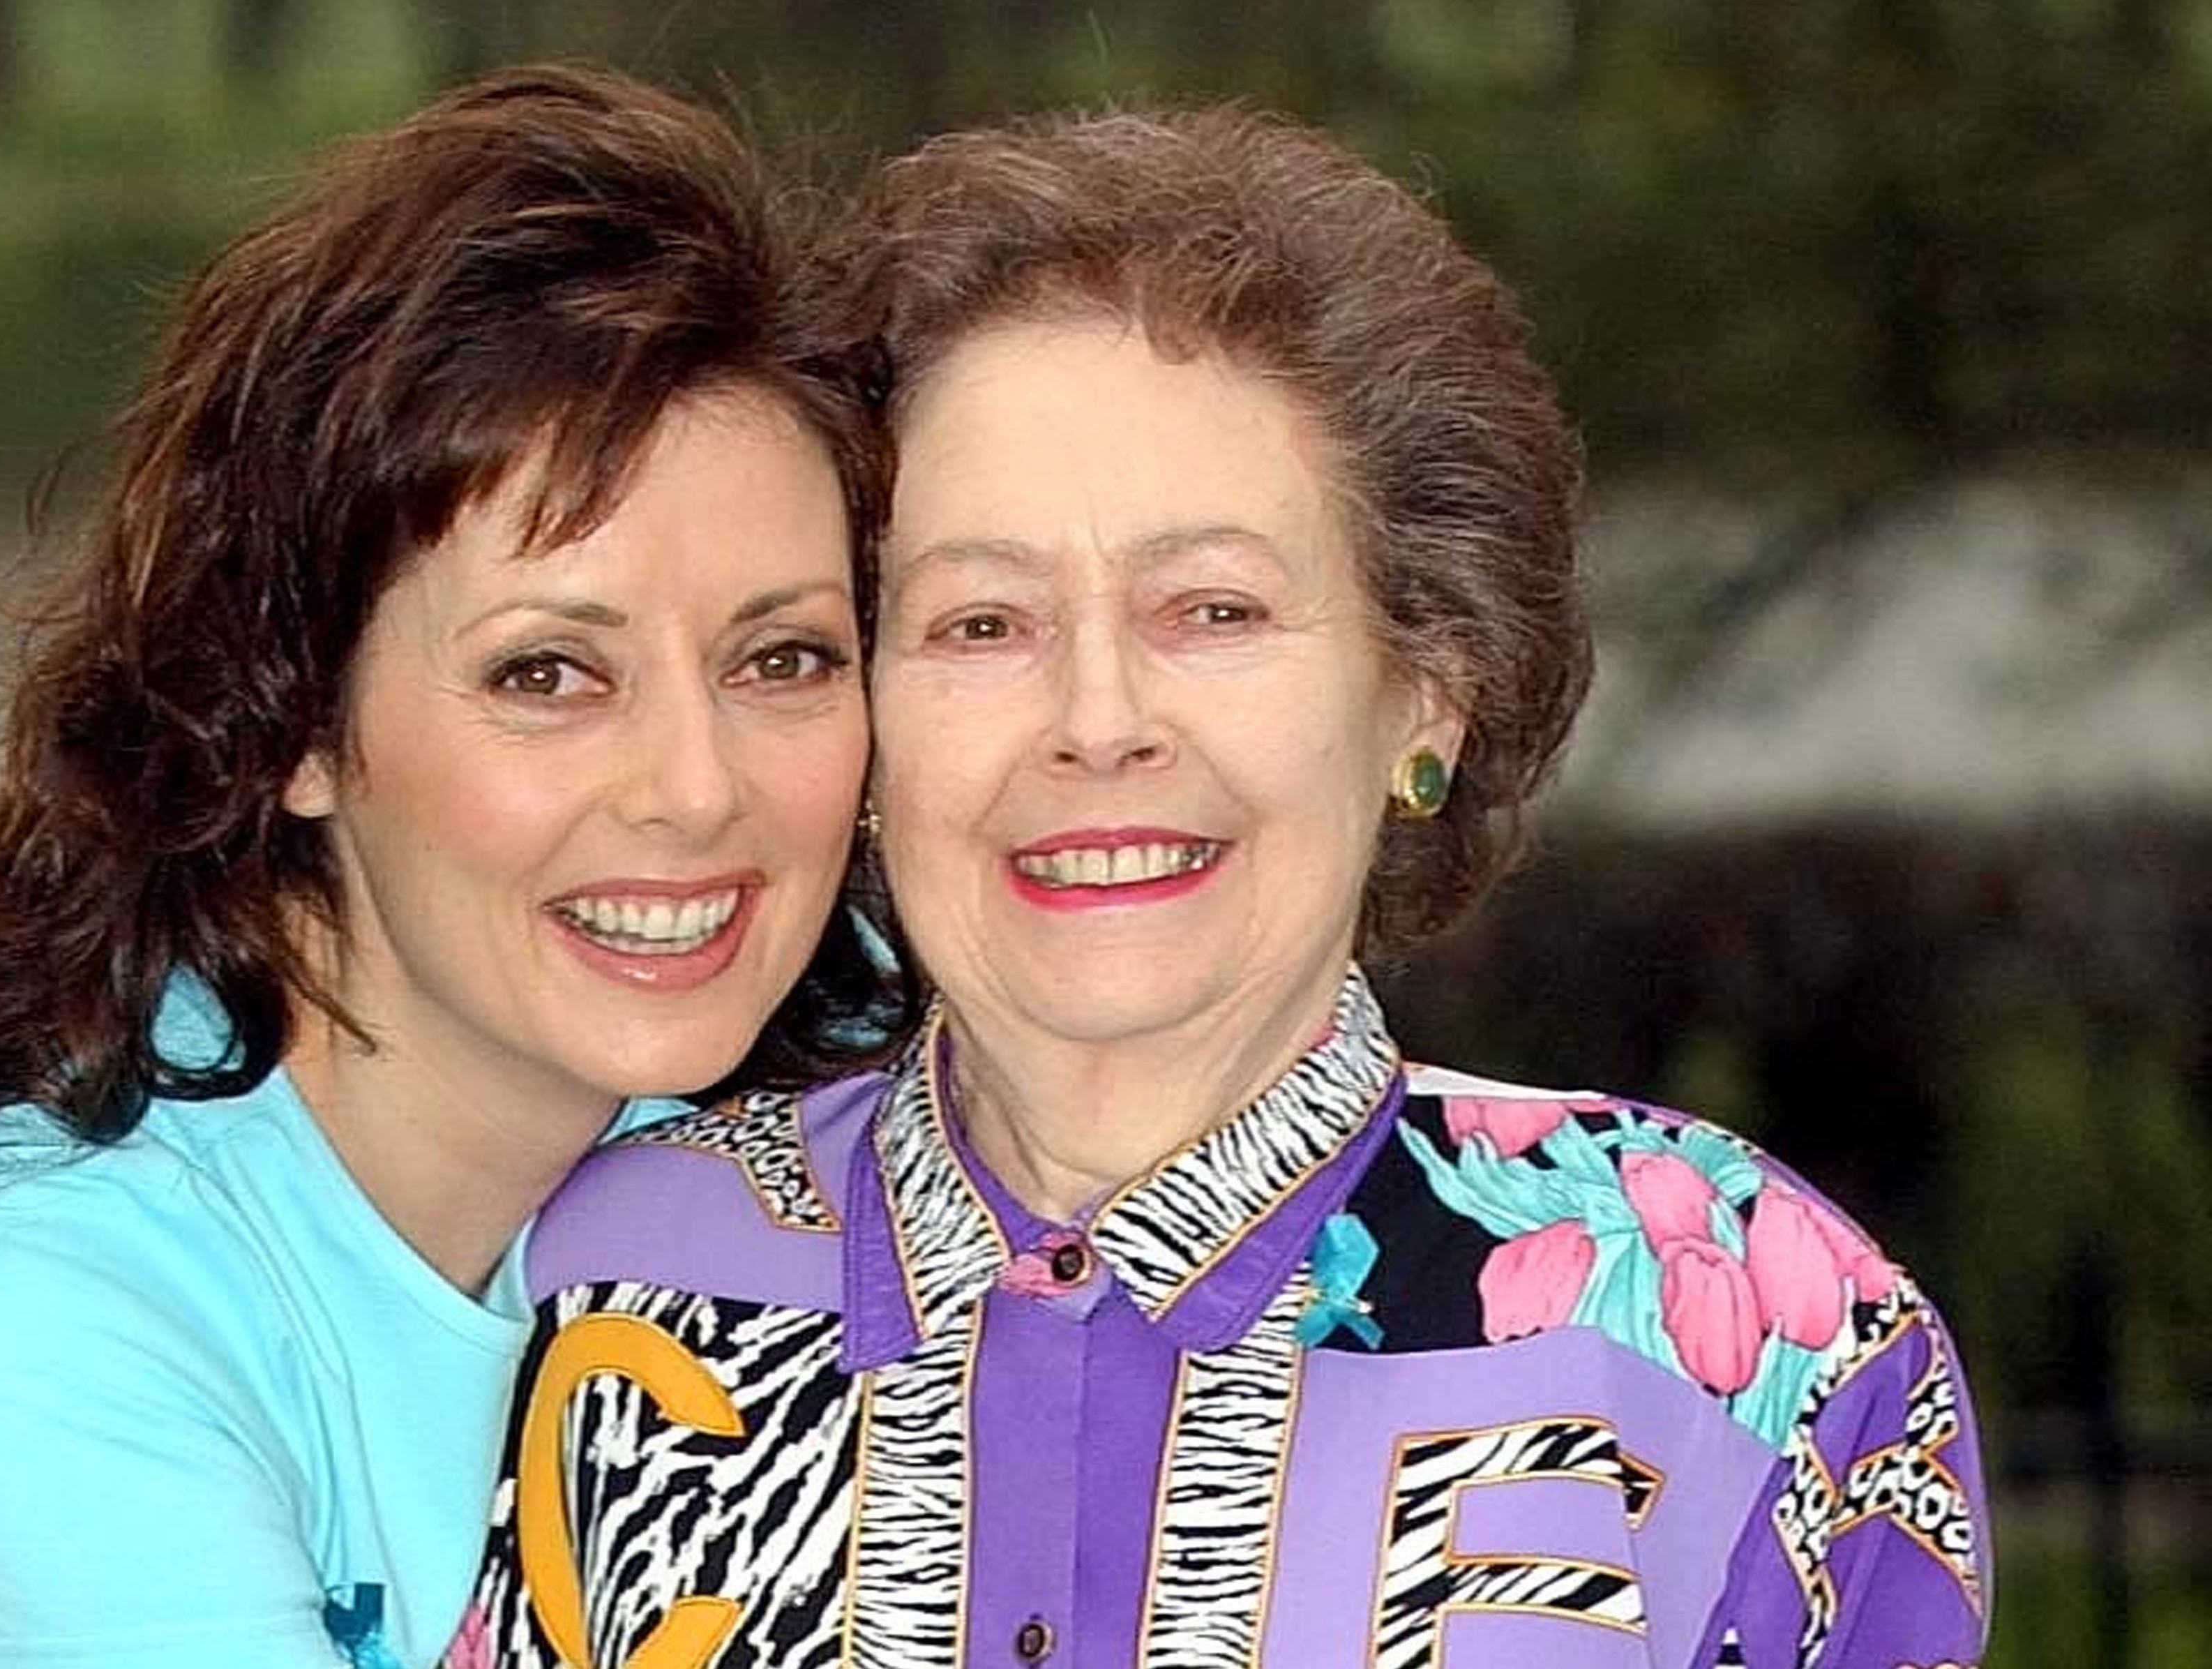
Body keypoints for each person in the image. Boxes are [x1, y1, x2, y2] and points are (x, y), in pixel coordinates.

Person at [458, 105, 1989, 1669]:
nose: (1098, 721)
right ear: (855, 708)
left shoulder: (1735, 1317)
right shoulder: (611, 1273)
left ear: (1424, 691)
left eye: (1211, 606)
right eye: (981, 623)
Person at [0, 66, 901, 1669]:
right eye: (546, 673)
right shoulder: (30, 1329)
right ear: (289, 723)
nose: (696, 790)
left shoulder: (866, 1098)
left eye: (786, 658)